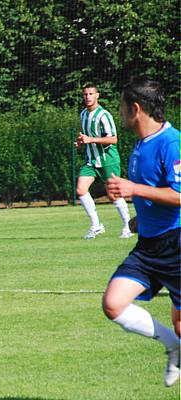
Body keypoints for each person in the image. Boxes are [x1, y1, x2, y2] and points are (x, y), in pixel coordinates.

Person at [102, 78, 180, 387]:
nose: (119, 112)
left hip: (176, 244)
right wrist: (139, 217)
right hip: (149, 246)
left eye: (121, 106)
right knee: (113, 304)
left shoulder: (171, 142)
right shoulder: (140, 145)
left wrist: (133, 189)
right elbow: (156, 194)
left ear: (135, 108)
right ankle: (173, 347)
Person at [75, 83, 132, 239]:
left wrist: (90, 139)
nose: (88, 97)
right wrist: (81, 143)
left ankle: (127, 225)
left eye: (91, 94)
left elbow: (113, 139)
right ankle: (96, 225)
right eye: (85, 94)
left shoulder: (104, 115)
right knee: (80, 189)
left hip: (107, 160)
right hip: (91, 161)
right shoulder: (83, 114)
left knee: (113, 194)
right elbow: (87, 137)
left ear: (97, 95)